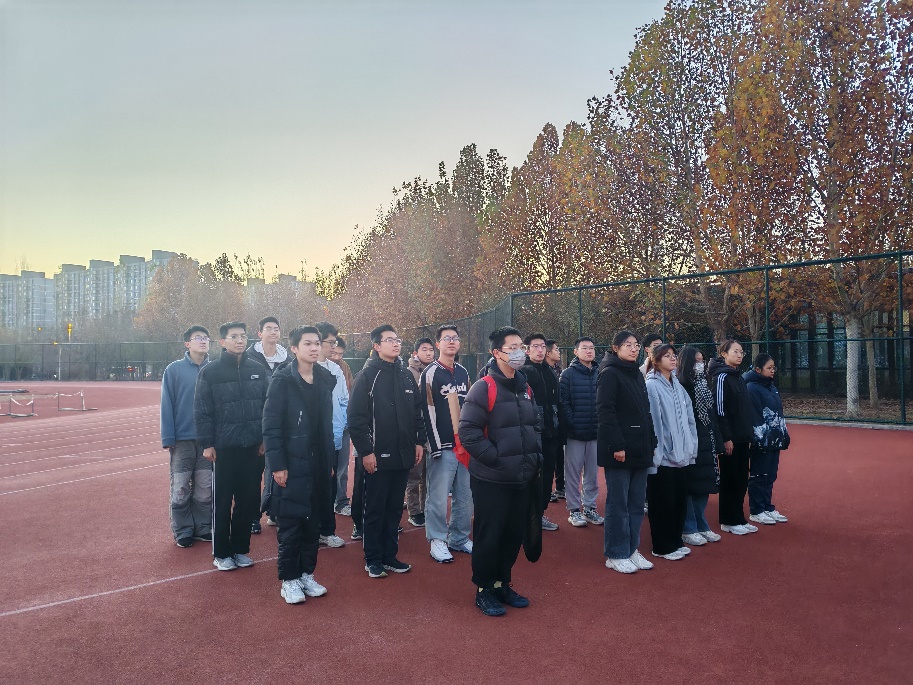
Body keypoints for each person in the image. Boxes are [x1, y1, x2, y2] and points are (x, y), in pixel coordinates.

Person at [460, 326, 541, 616]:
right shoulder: (483, 387)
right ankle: (484, 589)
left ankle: (501, 582)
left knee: (513, 534)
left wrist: (535, 457)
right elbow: (468, 433)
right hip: (492, 479)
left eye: (522, 346)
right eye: (513, 347)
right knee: (490, 534)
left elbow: (534, 425)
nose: (520, 352)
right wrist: (495, 459)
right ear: (497, 353)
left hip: (521, 476)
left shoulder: (525, 387)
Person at [261, 326, 334, 604]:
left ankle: (306, 574)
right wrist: (278, 465)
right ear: (294, 348)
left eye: (317, 343)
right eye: (308, 344)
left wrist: (328, 461)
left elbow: (326, 426)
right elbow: (271, 426)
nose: (314, 348)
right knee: (291, 523)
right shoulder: (282, 380)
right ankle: (289, 580)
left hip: (317, 462)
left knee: (312, 523)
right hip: (291, 462)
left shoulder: (325, 379)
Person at [347, 324, 425, 579]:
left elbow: (417, 413)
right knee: (375, 509)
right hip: (377, 457)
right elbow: (356, 419)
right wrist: (366, 452)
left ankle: (390, 556)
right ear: (377, 346)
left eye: (397, 339)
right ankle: (373, 559)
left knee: (394, 509)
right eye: (389, 340)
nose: (395, 343)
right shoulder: (367, 377)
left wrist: (419, 442)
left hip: (403, 455)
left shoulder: (405, 376)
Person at [194, 322, 269, 571]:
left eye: (243, 336)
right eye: (234, 336)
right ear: (222, 342)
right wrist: (207, 444)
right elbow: (202, 410)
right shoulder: (210, 372)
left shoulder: (257, 369)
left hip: (252, 447)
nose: (239, 340)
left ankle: (240, 549)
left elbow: (267, 407)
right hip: (224, 449)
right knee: (223, 502)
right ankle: (221, 553)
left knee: (247, 501)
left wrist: (264, 439)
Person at [597, 331, 657, 574]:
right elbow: (605, 411)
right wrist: (617, 445)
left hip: (641, 448)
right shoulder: (609, 373)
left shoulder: (637, 374)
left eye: (636, 345)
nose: (633, 349)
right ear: (615, 347)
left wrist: (651, 440)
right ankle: (616, 553)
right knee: (618, 503)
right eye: (627, 345)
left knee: (636, 503)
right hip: (620, 450)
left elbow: (645, 411)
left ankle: (631, 549)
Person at [422, 325, 473, 563]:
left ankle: (459, 538)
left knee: (465, 495)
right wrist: (434, 446)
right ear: (438, 344)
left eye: (455, 338)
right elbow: (427, 411)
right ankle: (437, 540)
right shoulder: (430, 373)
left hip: (464, 446)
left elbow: (470, 407)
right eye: (446, 338)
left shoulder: (463, 372)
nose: (451, 341)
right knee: (438, 496)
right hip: (442, 446)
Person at [644, 344, 698, 561]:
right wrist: (658, 454)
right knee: (662, 504)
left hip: (681, 456)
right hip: (664, 459)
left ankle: (675, 541)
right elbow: (655, 423)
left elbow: (689, 419)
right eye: (667, 356)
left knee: (678, 502)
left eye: (674, 355)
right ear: (656, 361)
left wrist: (691, 447)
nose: (673, 359)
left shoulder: (678, 386)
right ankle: (662, 546)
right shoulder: (651, 386)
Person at [161, 325, 212, 548]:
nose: (203, 341)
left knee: (205, 486)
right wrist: (168, 437)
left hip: (207, 440)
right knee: (180, 487)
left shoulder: (214, 370)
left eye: (206, 337)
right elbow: (167, 403)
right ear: (187, 344)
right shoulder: (174, 370)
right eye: (198, 337)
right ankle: (183, 530)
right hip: (182, 440)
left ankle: (203, 527)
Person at [708, 340, 759, 536]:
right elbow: (720, 410)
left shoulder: (739, 377)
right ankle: (728, 520)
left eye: (741, 352)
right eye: (735, 351)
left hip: (743, 437)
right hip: (731, 439)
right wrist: (726, 437)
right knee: (730, 479)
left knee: (741, 479)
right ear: (724, 354)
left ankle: (738, 517)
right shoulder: (721, 377)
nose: (739, 355)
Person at [676, 346, 723, 545]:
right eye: (696, 361)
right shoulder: (681, 386)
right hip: (690, 443)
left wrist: (717, 441)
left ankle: (702, 524)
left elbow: (712, 417)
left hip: (707, 441)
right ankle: (689, 527)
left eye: (702, 360)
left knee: (704, 485)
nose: (700, 364)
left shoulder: (705, 384)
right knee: (690, 486)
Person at [247, 316, 288, 534]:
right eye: (268, 328)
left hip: (280, 426)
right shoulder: (248, 358)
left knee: (278, 470)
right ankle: (253, 516)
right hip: (255, 426)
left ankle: (274, 511)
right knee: (254, 474)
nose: (273, 332)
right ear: (259, 333)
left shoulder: (288, 359)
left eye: (276, 328)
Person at [559, 337, 603, 529]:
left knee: (592, 475)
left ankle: (590, 507)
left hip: (595, 433)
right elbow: (563, 402)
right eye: (585, 348)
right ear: (576, 352)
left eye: (592, 348)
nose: (589, 351)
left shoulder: (600, 373)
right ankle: (574, 510)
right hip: (575, 434)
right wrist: (572, 423)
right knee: (573, 474)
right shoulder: (568, 374)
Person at [744, 353, 790, 525]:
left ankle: (767, 507)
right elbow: (754, 416)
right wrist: (760, 438)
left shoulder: (771, 387)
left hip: (774, 439)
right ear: (758, 369)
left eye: (773, 367)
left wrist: (783, 433)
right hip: (762, 440)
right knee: (759, 475)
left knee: (770, 474)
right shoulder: (751, 388)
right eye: (769, 368)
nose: (773, 371)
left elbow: (778, 412)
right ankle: (756, 510)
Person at [523, 332, 562, 532]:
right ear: (527, 350)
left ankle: (539, 514)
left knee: (547, 477)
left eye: (542, 346)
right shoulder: (524, 372)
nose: (540, 350)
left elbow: (557, 403)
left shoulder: (551, 372)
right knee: (531, 476)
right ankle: (527, 517)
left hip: (551, 434)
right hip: (532, 434)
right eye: (535, 346)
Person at [314, 322, 349, 548]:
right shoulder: (297, 370)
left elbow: (344, 401)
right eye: (331, 343)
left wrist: (340, 428)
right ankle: (308, 530)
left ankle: (326, 530)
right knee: (309, 486)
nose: (334, 348)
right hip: (308, 441)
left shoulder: (336, 370)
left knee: (328, 485)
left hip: (333, 438)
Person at [406, 337, 434, 529]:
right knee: (415, 474)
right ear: (415, 353)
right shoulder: (409, 373)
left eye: (431, 349)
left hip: (433, 430)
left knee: (428, 475)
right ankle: (414, 511)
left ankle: (426, 508)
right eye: (424, 349)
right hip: (416, 430)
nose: (429, 353)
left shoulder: (436, 371)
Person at [545, 339, 565, 501]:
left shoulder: (557, 370)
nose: (559, 352)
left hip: (556, 422)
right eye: (556, 349)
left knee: (558, 456)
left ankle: (559, 487)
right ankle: (547, 490)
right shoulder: (538, 372)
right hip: (545, 424)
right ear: (548, 352)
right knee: (546, 460)